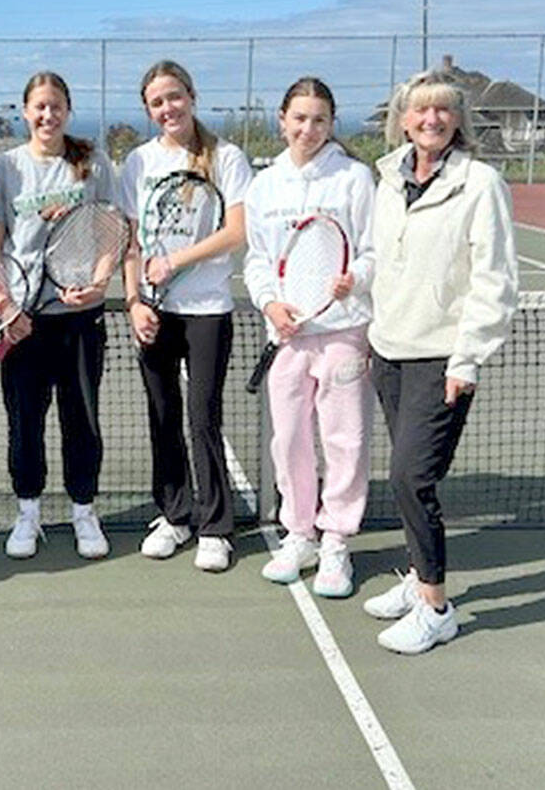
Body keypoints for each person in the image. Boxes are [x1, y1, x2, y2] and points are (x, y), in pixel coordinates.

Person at [363, 69, 518, 653]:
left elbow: (495, 280)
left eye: (443, 110)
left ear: (458, 120)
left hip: (441, 359)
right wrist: (360, 282)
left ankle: (435, 606)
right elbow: (382, 255)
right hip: (390, 351)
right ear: (402, 119)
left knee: (410, 476)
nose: (431, 119)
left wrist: (467, 358)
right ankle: (415, 576)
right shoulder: (388, 179)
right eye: (420, 110)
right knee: (410, 479)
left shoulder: (481, 184)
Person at [244, 77, 376, 598]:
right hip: (287, 336)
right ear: (282, 120)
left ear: (331, 124)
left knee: (345, 439)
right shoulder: (264, 185)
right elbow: (257, 260)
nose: (308, 128)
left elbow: (371, 250)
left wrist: (355, 280)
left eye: (319, 119)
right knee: (290, 439)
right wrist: (271, 305)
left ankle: (336, 540)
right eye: (299, 118)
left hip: (344, 330)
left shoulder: (354, 179)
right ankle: (299, 533)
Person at [119, 60, 252, 572]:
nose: (167, 108)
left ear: (192, 97)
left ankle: (215, 527)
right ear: (149, 110)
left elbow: (237, 231)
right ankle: (174, 516)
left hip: (207, 311)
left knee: (202, 418)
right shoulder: (139, 162)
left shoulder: (227, 157)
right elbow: (132, 241)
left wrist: (176, 260)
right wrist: (134, 301)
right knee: (162, 417)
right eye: (157, 102)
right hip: (154, 310)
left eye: (174, 97)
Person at [0, 72, 117, 560]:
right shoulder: (3, 169)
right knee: (25, 423)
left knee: (82, 420)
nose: (47, 115)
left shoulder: (92, 164)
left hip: (80, 318)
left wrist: (99, 284)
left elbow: (110, 234)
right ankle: (28, 513)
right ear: (24, 111)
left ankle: (84, 510)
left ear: (67, 110)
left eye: (56, 106)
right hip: (22, 320)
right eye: (39, 106)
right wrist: (5, 305)